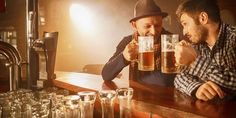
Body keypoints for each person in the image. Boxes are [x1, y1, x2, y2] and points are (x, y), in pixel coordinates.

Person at [102, 0, 176, 86]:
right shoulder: (128, 41)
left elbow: (169, 81)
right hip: (137, 96)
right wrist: (124, 57)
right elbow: (106, 75)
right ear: (134, 25)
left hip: (167, 97)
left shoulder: (171, 40)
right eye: (147, 26)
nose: (154, 31)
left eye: (157, 25)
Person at [174, 0, 236, 101]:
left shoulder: (233, 38)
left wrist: (194, 61)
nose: (184, 32)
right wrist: (196, 87)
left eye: (185, 24)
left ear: (203, 18)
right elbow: (179, 78)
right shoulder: (197, 44)